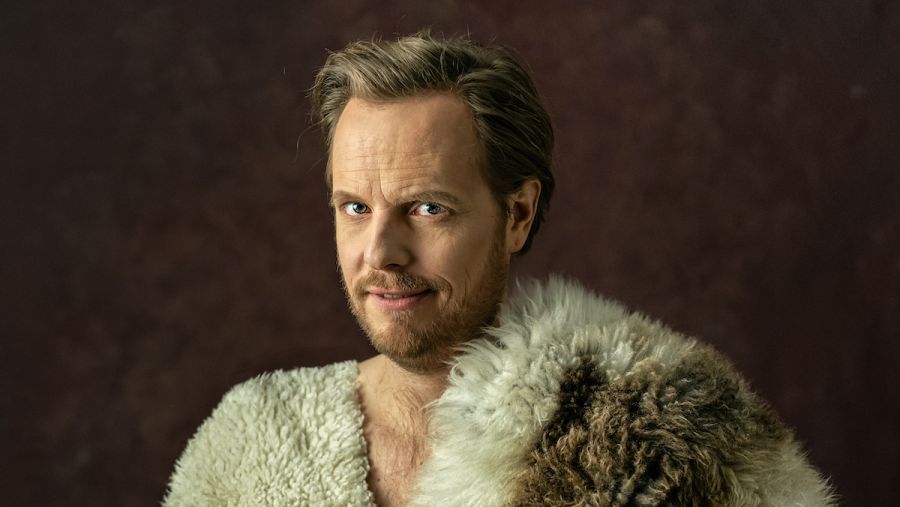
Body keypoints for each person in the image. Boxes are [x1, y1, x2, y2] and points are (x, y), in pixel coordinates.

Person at [164, 32, 835, 506]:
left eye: (427, 208)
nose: (381, 251)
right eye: (355, 207)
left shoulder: (659, 430)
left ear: (517, 214)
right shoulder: (253, 440)